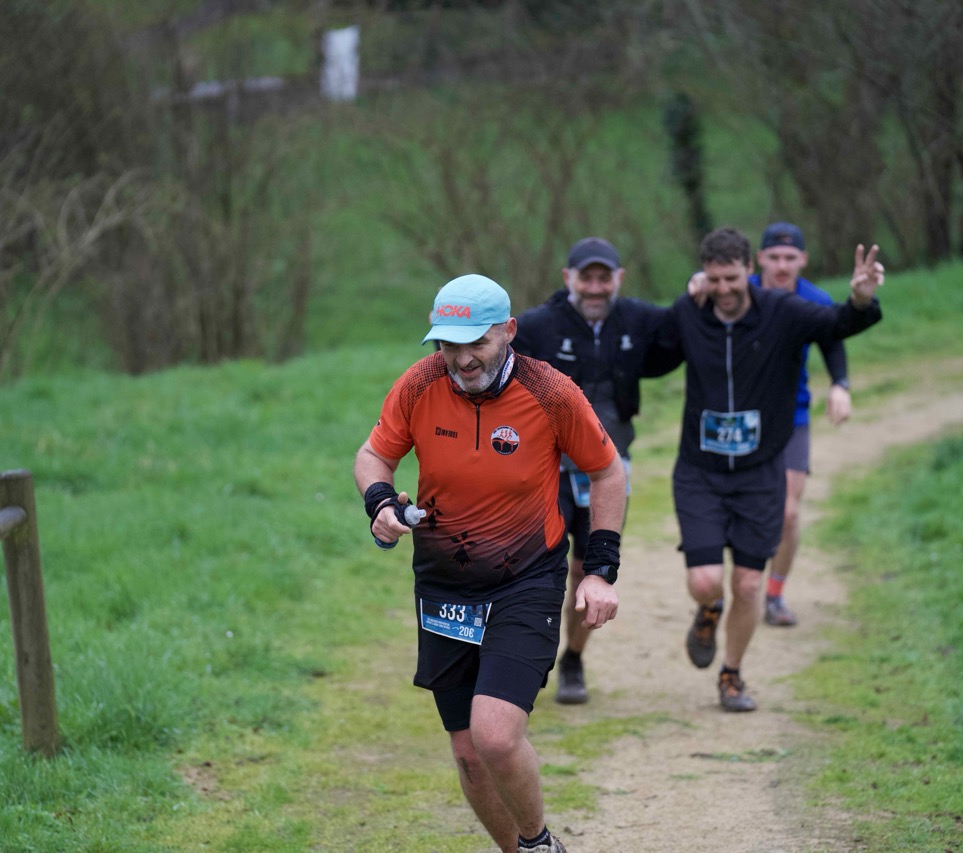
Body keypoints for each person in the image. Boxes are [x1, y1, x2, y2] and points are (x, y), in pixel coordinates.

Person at [353, 273, 627, 853]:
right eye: (448, 343)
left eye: (475, 342)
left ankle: (538, 843)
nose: (461, 358)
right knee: (469, 754)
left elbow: (607, 471)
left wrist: (600, 569)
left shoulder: (551, 392)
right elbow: (375, 454)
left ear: (508, 331)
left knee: (496, 736)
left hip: (526, 579)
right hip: (443, 585)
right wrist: (380, 504)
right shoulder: (420, 384)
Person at [653, 226, 884, 712]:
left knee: (749, 582)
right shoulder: (690, 312)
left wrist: (861, 300)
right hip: (700, 472)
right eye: (714, 279)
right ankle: (709, 609)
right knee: (705, 581)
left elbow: (837, 325)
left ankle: (731, 674)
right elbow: (650, 353)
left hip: (760, 472)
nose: (724, 289)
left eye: (732, 278)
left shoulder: (782, 311)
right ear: (704, 275)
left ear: (748, 271)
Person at [512, 237, 670, 705]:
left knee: (589, 570)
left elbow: (686, 329)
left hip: (608, 470)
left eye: (605, 278)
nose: (596, 287)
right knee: (535, 568)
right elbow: (489, 358)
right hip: (547, 469)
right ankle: (522, 661)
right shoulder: (539, 324)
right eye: (587, 278)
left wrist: (700, 292)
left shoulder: (638, 319)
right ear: (568, 279)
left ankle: (573, 659)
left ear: (619, 279)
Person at [751, 222, 853, 627]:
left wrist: (840, 385)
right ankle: (737, 587)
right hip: (741, 420)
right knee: (744, 512)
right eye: (774, 257)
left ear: (803, 260)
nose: (781, 265)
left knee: (788, 514)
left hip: (792, 416)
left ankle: (774, 596)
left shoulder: (815, 300)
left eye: (789, 258)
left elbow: (833, 341)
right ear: (760, 259)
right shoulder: (739, 292)